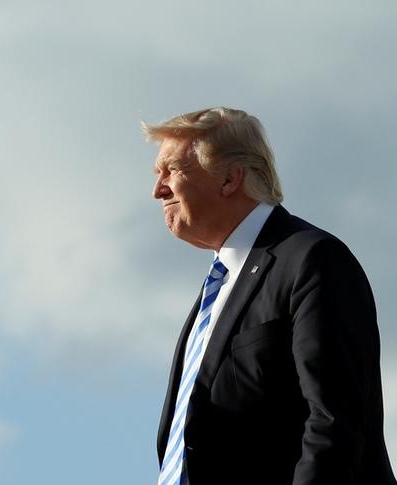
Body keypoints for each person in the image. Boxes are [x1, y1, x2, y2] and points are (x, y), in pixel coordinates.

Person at [144, 107, 396, 485]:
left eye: (171, 171)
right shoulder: (218, 285)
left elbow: (335, 421)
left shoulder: (312, 260)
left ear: (230, 178)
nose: (157, 189)